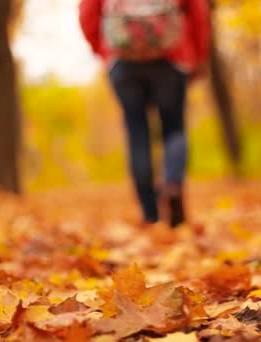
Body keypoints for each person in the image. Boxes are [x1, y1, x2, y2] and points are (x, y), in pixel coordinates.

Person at [79, 0, 210, 227]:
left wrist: (103, 51)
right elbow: (198, 11)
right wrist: (198, 55)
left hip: (122, 60)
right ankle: (172, 184)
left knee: (137, 133)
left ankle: (150, 213)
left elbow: (87, 12)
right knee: (174, 129)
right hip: (172, 58)